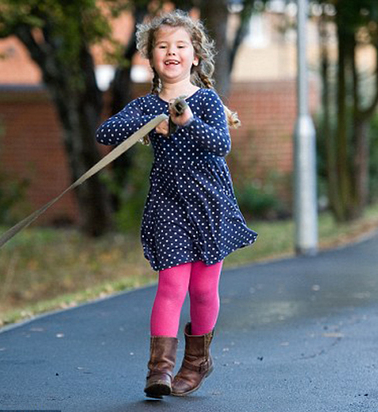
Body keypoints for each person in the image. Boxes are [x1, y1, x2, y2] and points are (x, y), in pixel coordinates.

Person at [96, 10, 257, 398]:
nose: (171, 52)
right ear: (151, 58)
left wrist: (185, 121)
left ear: (195, 56)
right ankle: (160, 370)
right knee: (171, 285)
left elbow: (221, 144)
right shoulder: (147, 104)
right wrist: (152, 120)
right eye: (162, 47)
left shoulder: (206, 101)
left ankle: (197, 361)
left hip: (209, 202)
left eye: (180, 46)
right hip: (168, 205)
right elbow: (106, 132)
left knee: (202, 289)